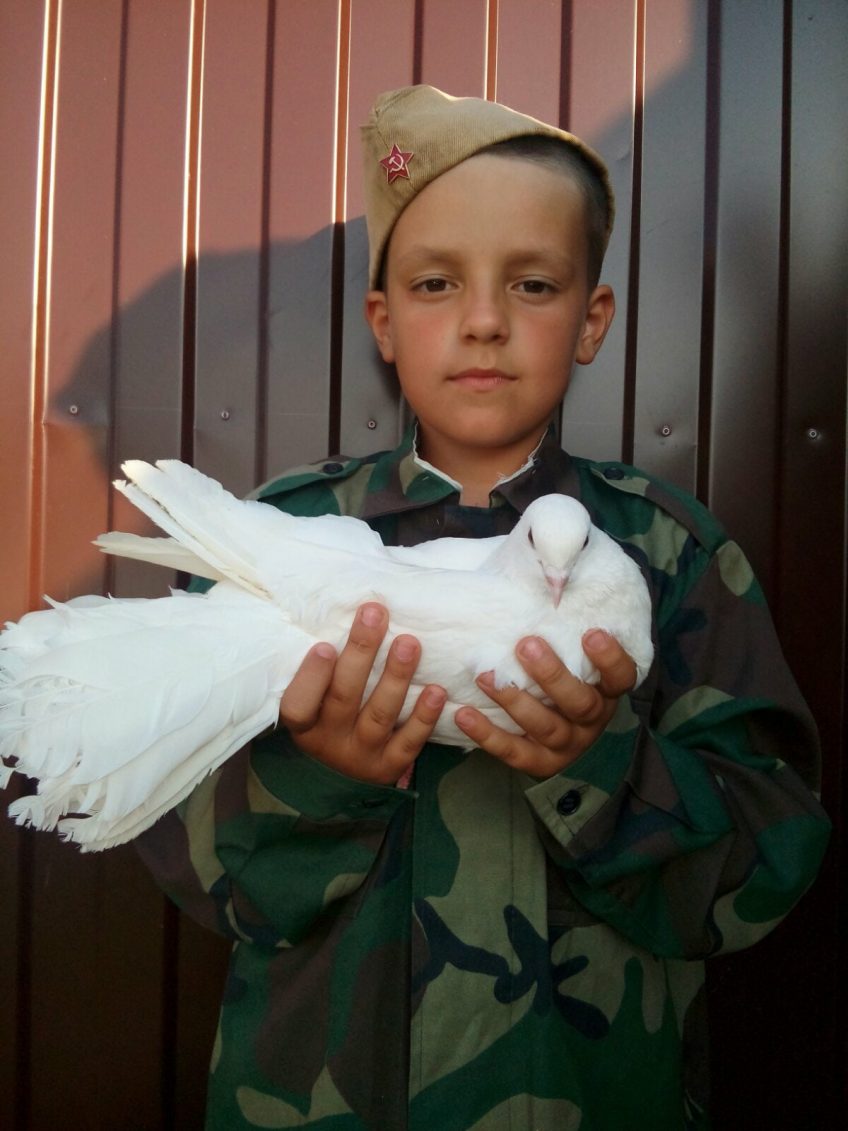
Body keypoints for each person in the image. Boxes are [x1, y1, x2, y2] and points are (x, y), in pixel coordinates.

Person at [136, 85, 830, 1130]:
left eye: (533, 283)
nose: (484, 320)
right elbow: (179, 843)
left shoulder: (668, 554)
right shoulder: (280, 542)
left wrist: (598, 764)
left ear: (591, 320)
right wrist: (322, 774)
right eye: (434, 282)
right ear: (383, 321)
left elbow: (768, 862)